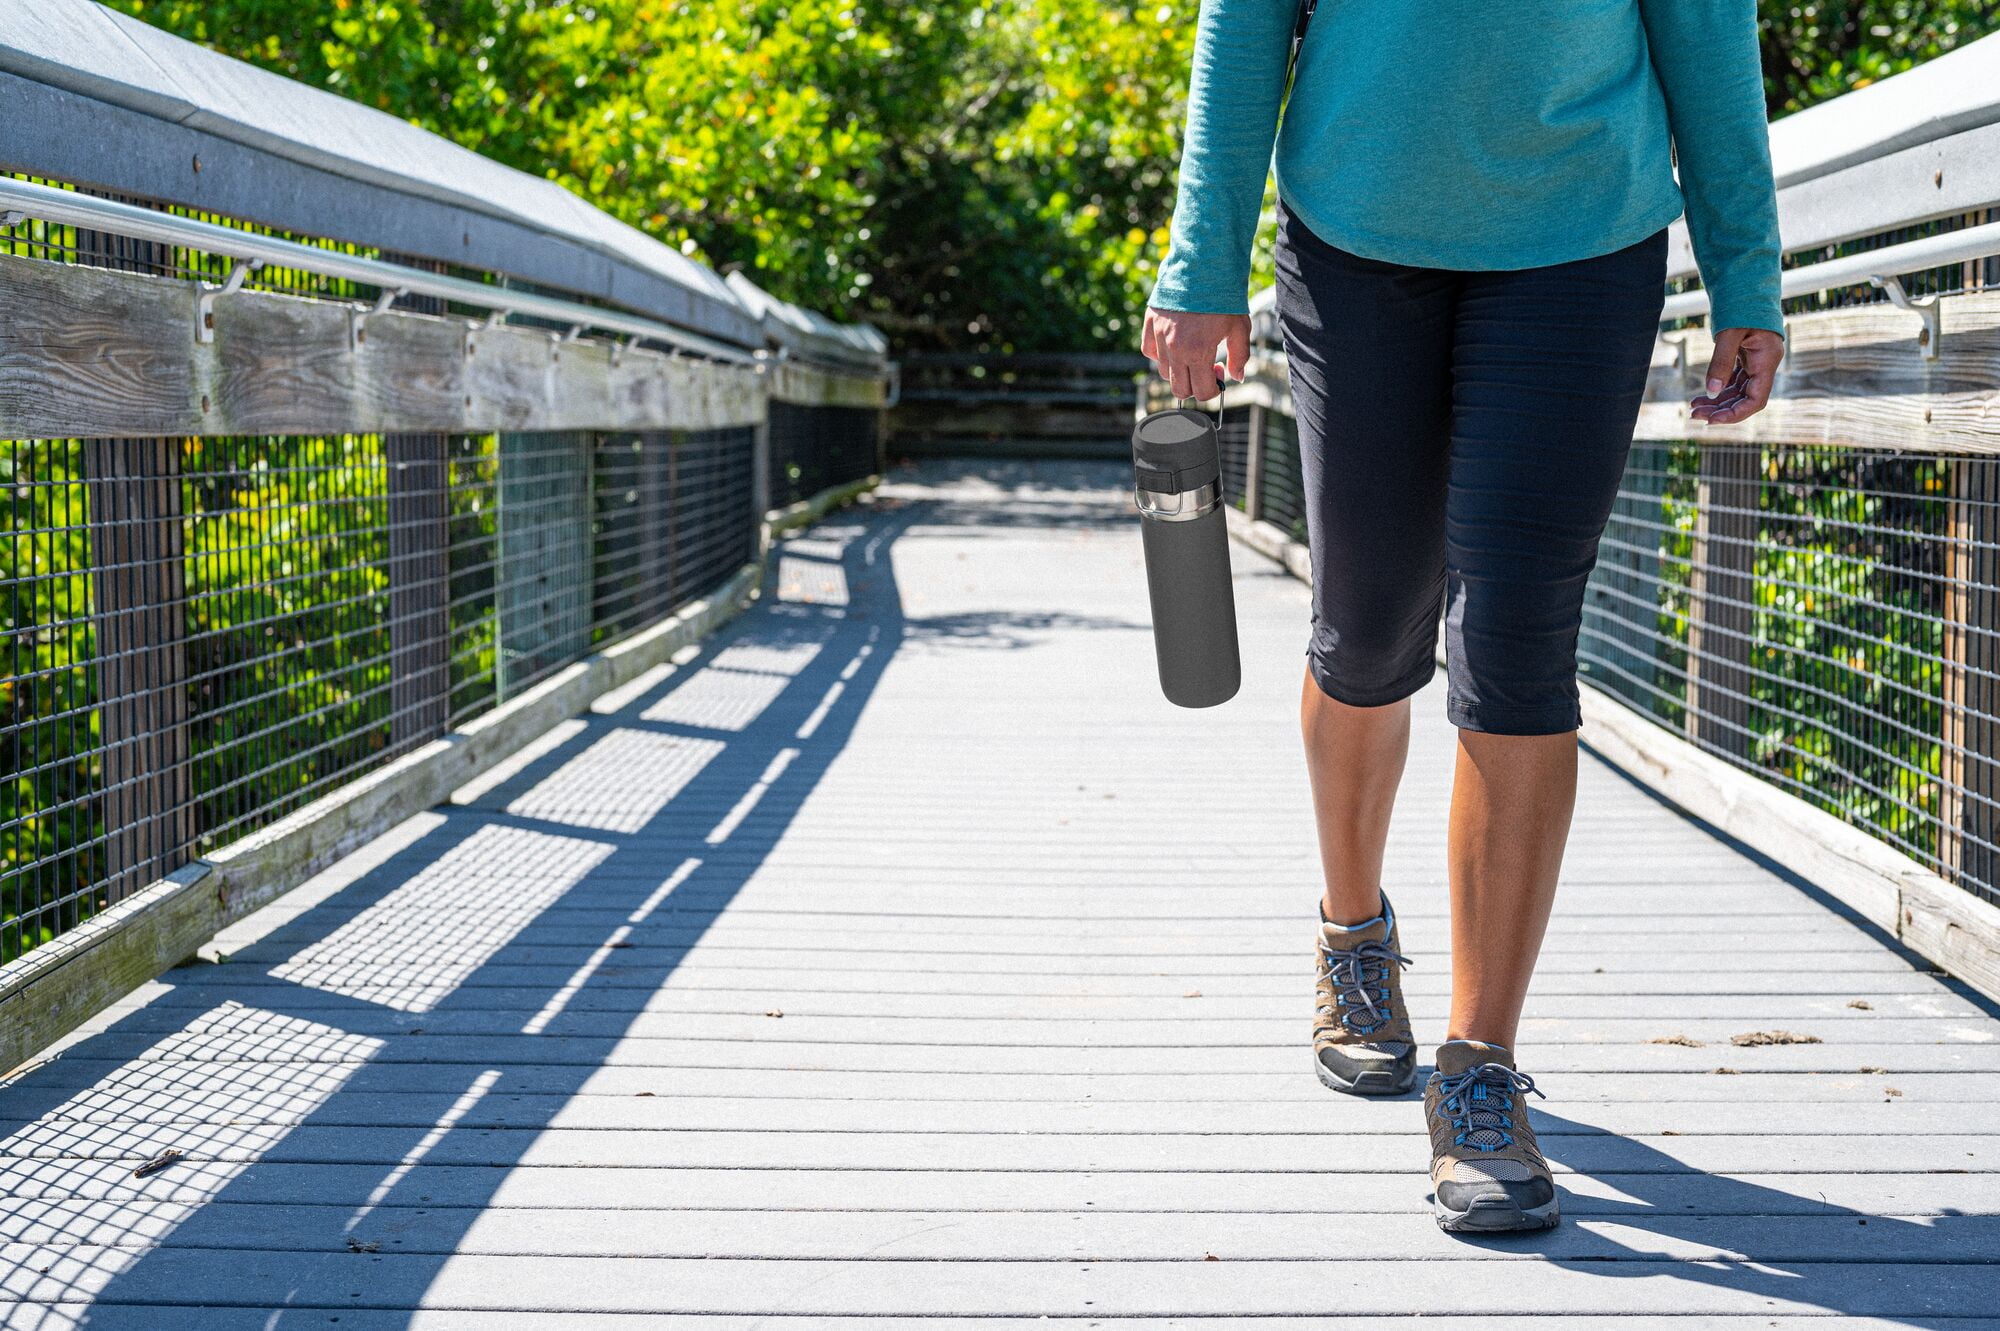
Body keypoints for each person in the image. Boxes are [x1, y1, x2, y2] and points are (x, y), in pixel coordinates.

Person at [1140, 0, 1785, 1234]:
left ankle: (1477, 1066)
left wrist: (1744, 274)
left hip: (1580, 247)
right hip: (1353, 234)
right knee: (1368, 628)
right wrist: (1199, 263)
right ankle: (1350, 933)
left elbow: (1705, 34)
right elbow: (1242, 27)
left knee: (1514, 644)